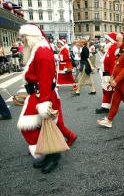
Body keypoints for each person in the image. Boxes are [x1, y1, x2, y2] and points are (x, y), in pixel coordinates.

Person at [17, 24, 77, 174]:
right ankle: (48, 151)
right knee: (42, 126)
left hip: (42, 97)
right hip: (39, 95)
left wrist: (44, 103)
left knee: (28, 127)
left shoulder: (42, 52)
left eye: (24, 39)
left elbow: (45, 80)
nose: (22, 42)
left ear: (31, 37)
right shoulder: (38, 50)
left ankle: (53, 153)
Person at [95, 33, 118, 114]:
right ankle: (105, 107)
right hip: (106, 73)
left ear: (110, 40)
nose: (105, 41)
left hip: (109, 74)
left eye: (107, 39)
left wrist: (112, 76)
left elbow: (113, 64)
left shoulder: (112, 49)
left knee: (119, 92)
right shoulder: (109, 48)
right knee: (106, 90)